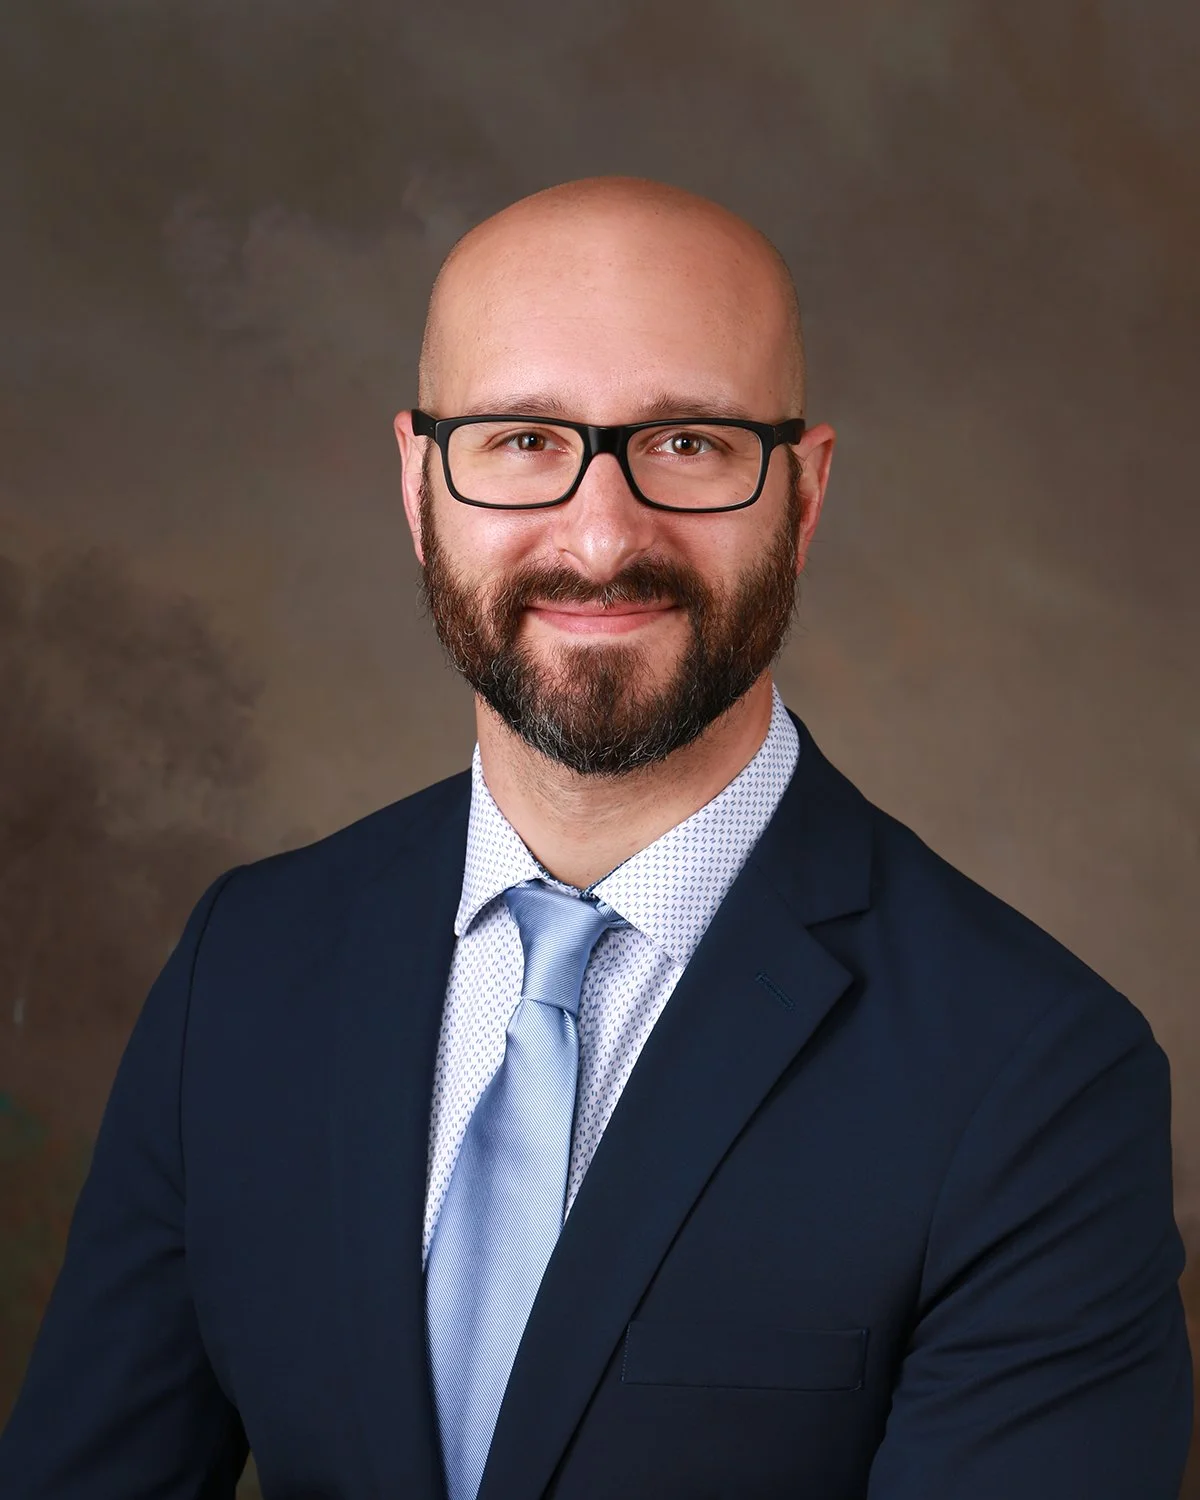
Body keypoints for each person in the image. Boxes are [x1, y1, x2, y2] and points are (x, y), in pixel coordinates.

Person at [0, 176, 1190, 1500]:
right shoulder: (246, 966)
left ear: (802, 493)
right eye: (521, 438)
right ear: (418, 482)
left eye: (688, 441)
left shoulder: (1036, 1077)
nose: (602, 533)